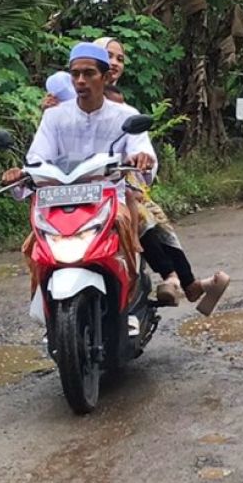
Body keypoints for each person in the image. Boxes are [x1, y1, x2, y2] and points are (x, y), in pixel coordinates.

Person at [46, 35, 229, 314]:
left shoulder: (122, 110)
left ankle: (175, 279)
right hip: (70, 189)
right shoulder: (60, 109)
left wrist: (140, 160)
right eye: (109, 56)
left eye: (119, 58)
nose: (115, 62)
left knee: (143, 215)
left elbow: (139, 147)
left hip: (116, 186)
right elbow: (43, 151)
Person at [4, 42, 155, 294]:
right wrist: (21, 174)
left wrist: (142, 159)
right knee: (34, 245)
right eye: (75, 74)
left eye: (89, 74)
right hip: (59, 202)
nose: (81, 81)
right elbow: (37, 157)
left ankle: (128, 294)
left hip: (108, 200)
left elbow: (143, 153)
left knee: (126, 231)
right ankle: (43, 301)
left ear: (105, 77)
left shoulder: (125, 116)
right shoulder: (54, 116)